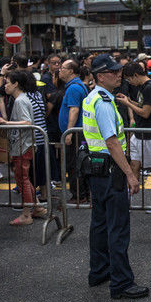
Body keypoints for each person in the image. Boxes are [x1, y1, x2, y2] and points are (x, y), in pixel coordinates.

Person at [81, 54, 149, 299]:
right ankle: (120, 283)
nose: (118, 74)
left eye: (118, 70)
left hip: (97, 169)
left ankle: (99, 271)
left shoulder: (92, 98)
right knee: (117, 227)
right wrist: (130, 174)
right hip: (111, 170)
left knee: (99, 223)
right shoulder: (103, 102)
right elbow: (112, 142)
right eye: (113, 71)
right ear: (100, 76)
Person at [0, 71, 47, 225]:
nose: (5, 86)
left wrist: (5, 123)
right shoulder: (22, 99)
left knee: (22, 179)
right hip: (23, 144)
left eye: (7, 82)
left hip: (23, 145)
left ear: (16, 84)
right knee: (24, 179)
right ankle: (36, 208)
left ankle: (26, 214)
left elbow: (27, 122)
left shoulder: (20, 101)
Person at [115, 63, 151, 211]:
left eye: (129, 79)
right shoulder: (144, 87)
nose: (129, 82)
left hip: (149, 135)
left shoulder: (149, 87)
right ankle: (129, 200)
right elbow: (141, 104)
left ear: (136, 75)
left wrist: (128, 104)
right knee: (134, 165)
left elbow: (145, 112)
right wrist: (129, 100)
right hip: (140, 134)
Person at [59, 59, 89, 204]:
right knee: (78, 163)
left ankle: (79, 194)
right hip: (77, 132)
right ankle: (81, 193)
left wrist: (69, 132)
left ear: (70, 71)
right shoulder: (76, 86)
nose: (60, 70)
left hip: (75, 133)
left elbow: (74, 109)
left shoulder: (74, 88)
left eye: (62, 67)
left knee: (74, 164)